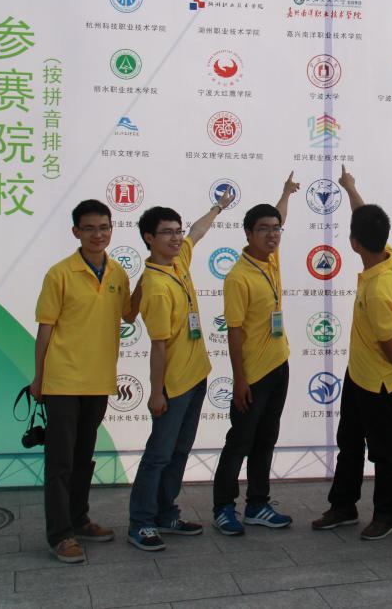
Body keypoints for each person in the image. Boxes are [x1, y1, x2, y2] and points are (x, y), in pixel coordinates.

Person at [126, 186, 234, 552]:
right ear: (149, 238)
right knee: (158, 455)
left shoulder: (177, 262)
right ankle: (141, 523)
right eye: (167, 233)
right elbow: (158, 347)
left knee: (178, 452)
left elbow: (198, 232)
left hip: (196, 375)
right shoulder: (156, 287)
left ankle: (165, 513)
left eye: (176, 231)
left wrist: (217, 207)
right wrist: (156, 393)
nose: (176, 238)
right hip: (173, 386)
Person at [33, 199, 141, 563]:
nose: (98, 234)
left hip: (99, 381)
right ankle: (59, 535)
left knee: (83, 458)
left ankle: (79, 520)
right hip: (62, 381)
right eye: (90, 228)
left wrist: (150, 276)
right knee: (60, 462)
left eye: (104, 227)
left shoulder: (118, 273)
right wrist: (39, 378)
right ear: (76, 231)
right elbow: (45, 330)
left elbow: (129, 315)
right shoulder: (59, 274)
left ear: (112, 229)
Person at [312, 165, 392, 540]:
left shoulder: (379, 287)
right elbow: (365, 219)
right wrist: (351, 187)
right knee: (349, 444)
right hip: (358, 376)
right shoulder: (387, 258)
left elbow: (387, 343)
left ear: (354, 243)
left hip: (379, 383)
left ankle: (387, 514)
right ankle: (344, 506)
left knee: (383, 451)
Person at [212, 173, 300, 535]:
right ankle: (223, 507)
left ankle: (258, 505)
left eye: (276, 229)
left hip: (279, 365)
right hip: (253, 374)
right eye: (263, 229)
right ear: (248, 233)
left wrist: (285, 193)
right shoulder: (238, 277)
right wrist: (240, 380)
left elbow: (280, 214)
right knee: (240, 442)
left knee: (266, 440)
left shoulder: (271, 260)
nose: (272, 234)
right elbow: (234, 331)